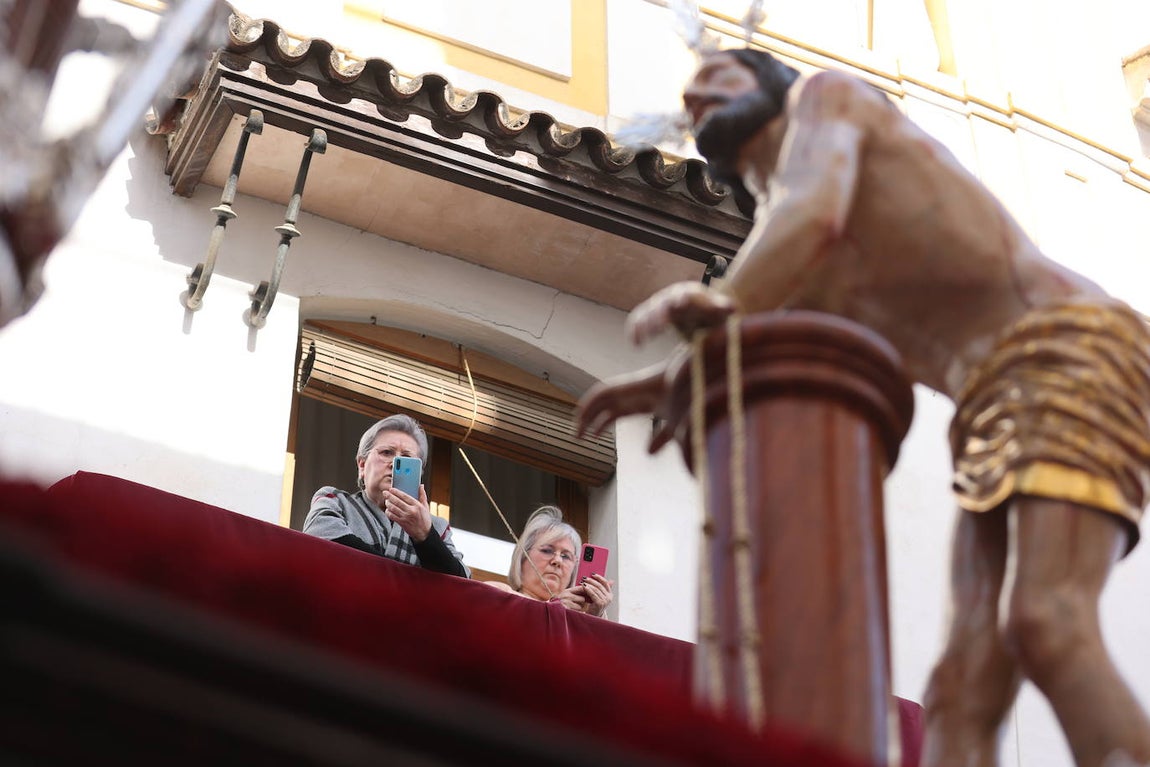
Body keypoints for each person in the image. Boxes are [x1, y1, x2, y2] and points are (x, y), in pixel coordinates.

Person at [577, 47, 1150, 767]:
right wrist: (670, 380)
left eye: (721, 75)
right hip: (991, 406)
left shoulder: (828, 101)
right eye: (690, 100)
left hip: (1062, 345)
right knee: (960, 689)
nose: (698, 94)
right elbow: (759, 294)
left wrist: (719, 307)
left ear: (773, 85)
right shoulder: (813, 258)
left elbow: (801, 217)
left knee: (1047, 619)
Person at [303, 414, 470, 578]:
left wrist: (425, 536)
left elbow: (461, 583)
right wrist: (410, 579)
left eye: (406, 457)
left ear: (419, 473)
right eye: (387, 452)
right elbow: (320, 542)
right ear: (362, 465)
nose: (394, 463)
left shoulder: (436, 527)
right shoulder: (335, 501)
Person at [485, 506, 613, 618]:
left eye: (566, 556)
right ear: (523, 557)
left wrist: (596, 615)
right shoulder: (498, 592)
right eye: (547, 551)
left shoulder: (576, 617)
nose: (557, 561)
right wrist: (552, 609)